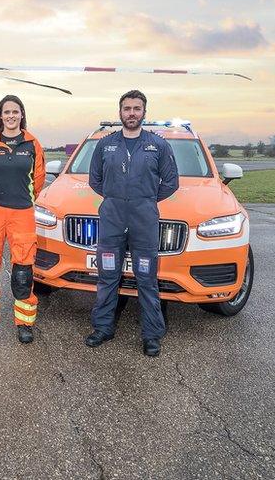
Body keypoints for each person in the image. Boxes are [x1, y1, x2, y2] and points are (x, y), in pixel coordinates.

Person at [85, 89, 179, 357]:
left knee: (147, 278)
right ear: (120, 112)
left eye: (137, 108)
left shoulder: (158, 145)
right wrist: (118, 198)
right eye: (127, 108)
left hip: (144, 220)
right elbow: (95, 180)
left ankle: (152, 335)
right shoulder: (106, 144)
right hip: (112, 218)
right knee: (107, 277)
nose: (131, 113)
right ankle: (103, 328)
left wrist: (144, 200)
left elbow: (171, 182)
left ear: (144, 112)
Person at [0, 95, 46, 344]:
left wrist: (22, 199)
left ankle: (24, 324)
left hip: (22, 213)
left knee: (23, 272)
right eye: (7, 112)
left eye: (15, 112)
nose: (11, 116)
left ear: (22, 114)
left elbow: (38, 180)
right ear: (0, 116)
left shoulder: (32, 144)